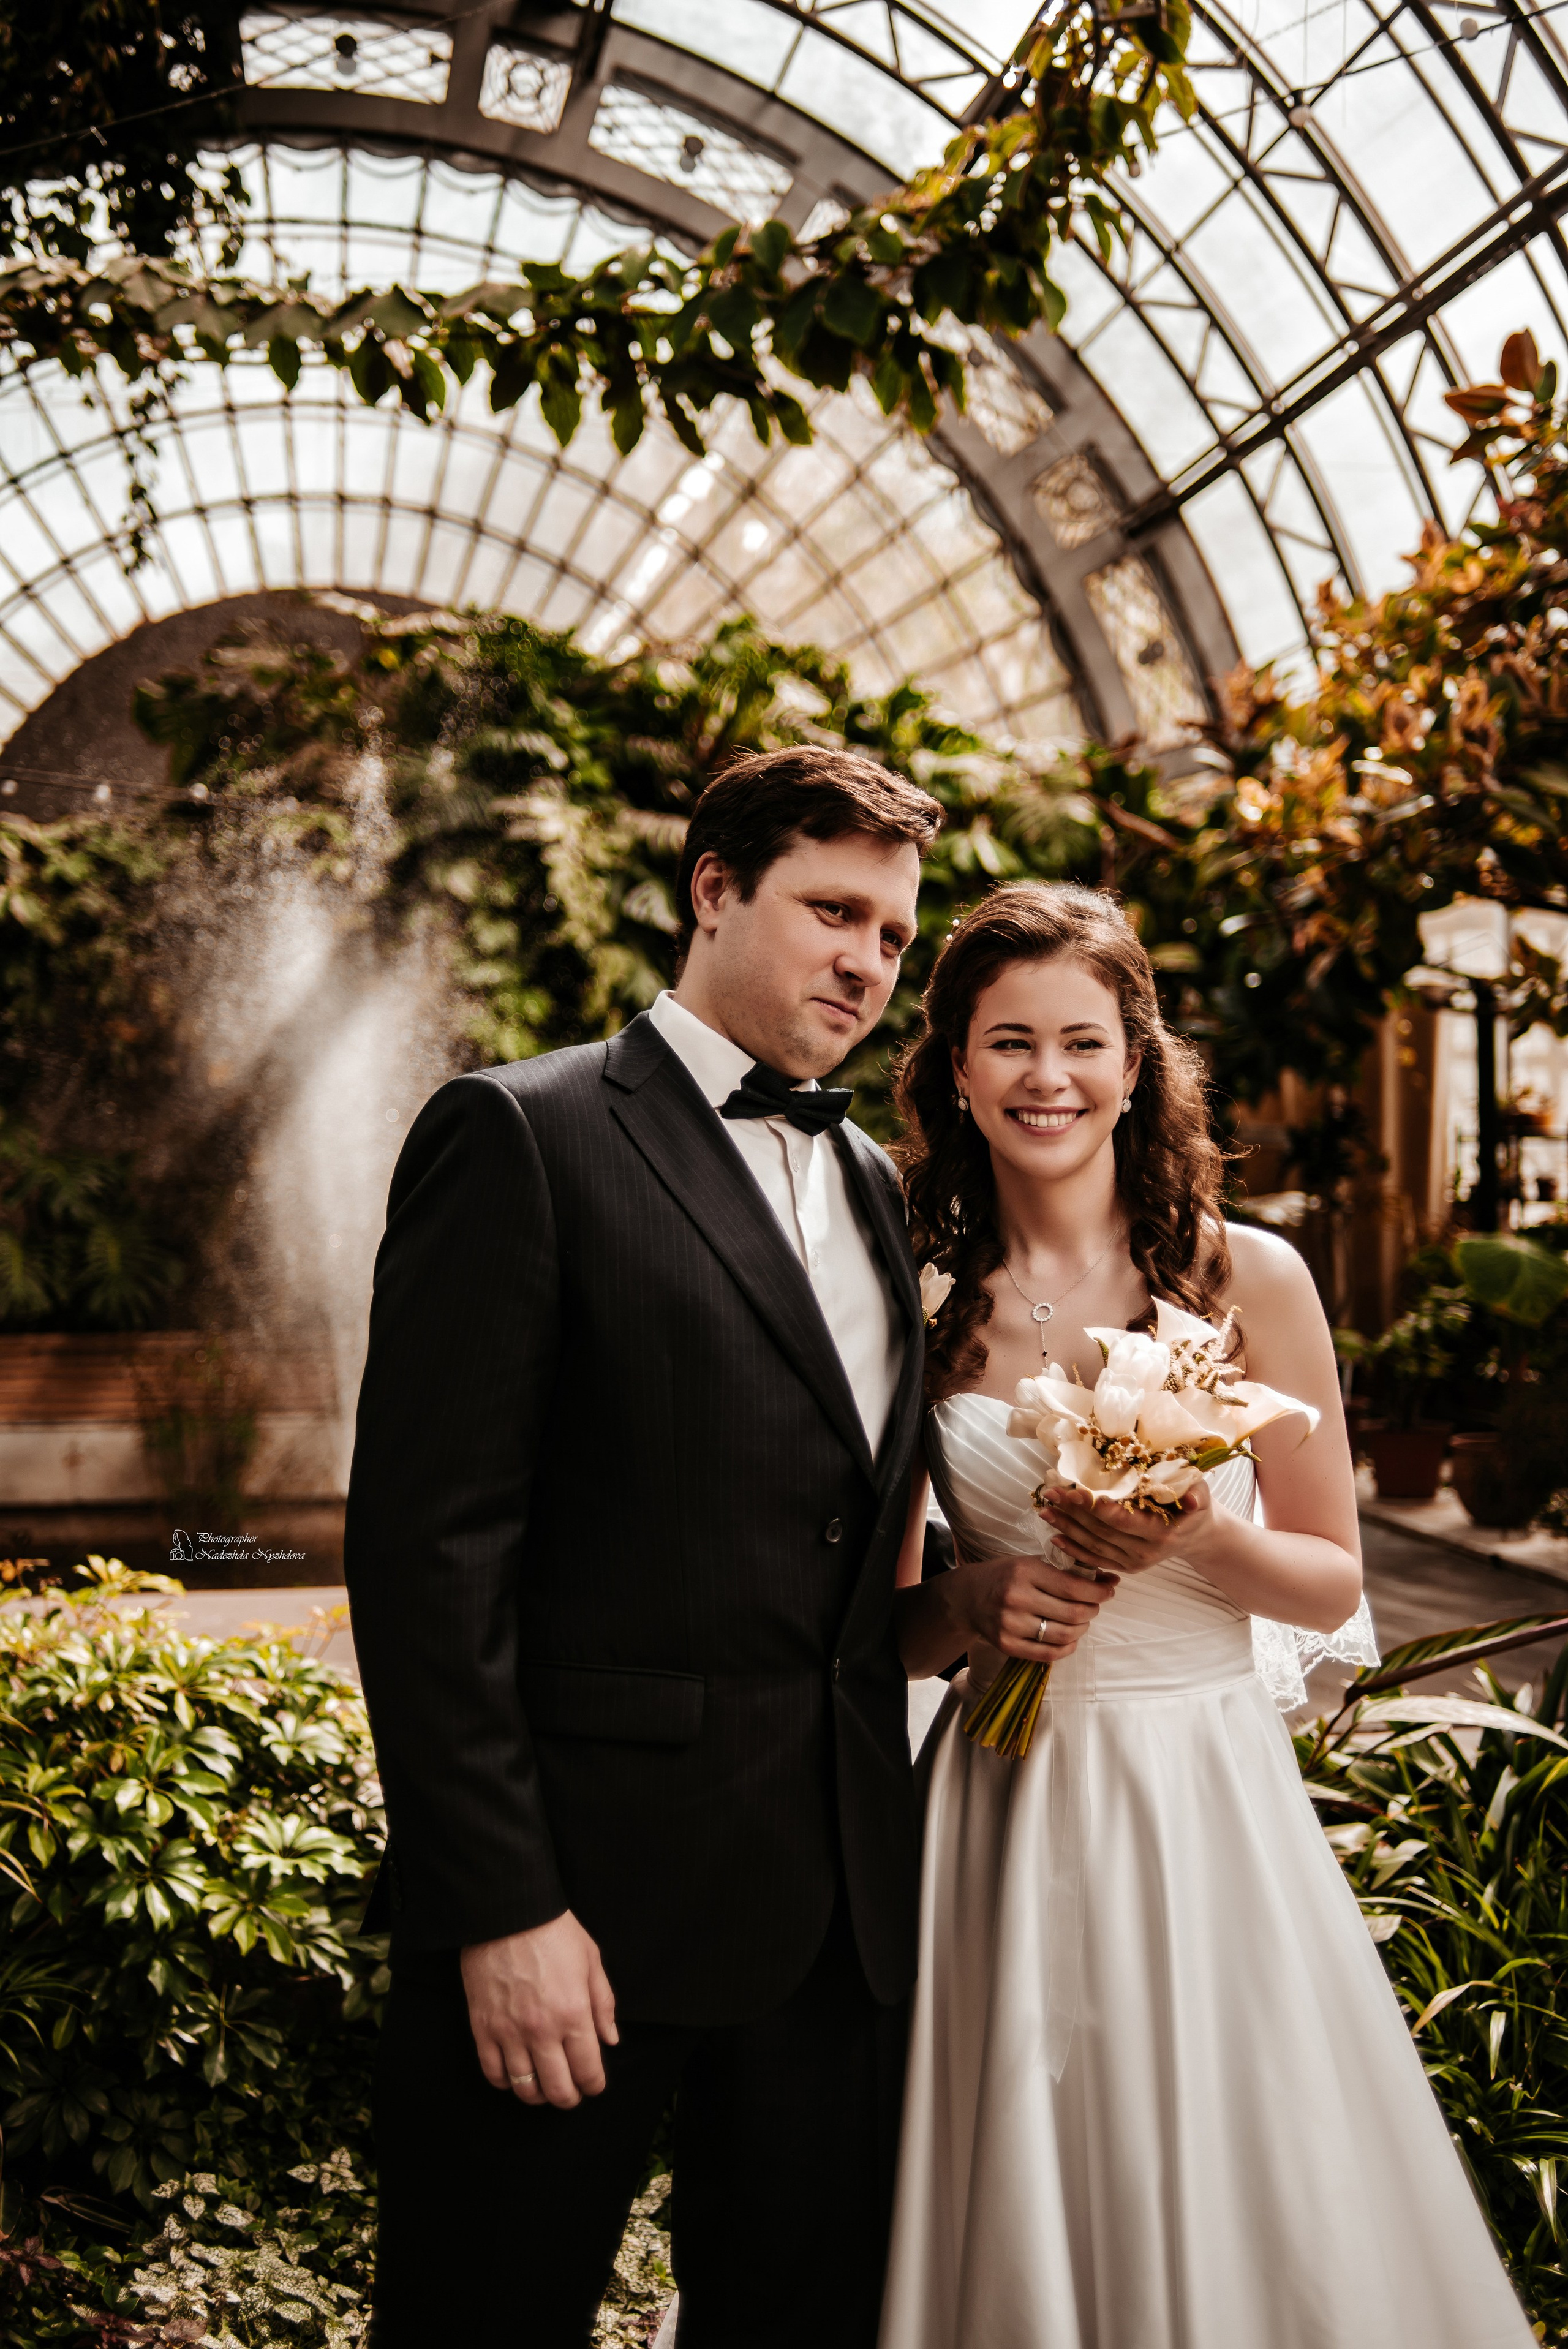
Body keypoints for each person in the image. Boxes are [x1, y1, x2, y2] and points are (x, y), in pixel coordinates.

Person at [347, 745, 1039, 2348]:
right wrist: (500, 1905)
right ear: (713, 889)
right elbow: (425, 1552)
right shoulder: (520, 1133)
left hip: (837, 1933)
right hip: (579, 1919)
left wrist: (977, 1605)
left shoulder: (878, 1182)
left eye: (892, 932)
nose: (869, 962)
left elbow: (835, 1546)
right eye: (834, 911)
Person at [878, 881, 1535, 2349]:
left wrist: (1194, 1534)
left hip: (1196, 1791)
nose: (1045, 1077)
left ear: (1134, 1063)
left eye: (1079, 1041)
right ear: (954, 1071)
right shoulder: (911, 1296)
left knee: (1235, 2157)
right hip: (989, 1793)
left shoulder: (1248, 1277)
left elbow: (1328, 1576)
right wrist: (976, 1609)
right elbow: (888, 1616)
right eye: (1005, 1043)